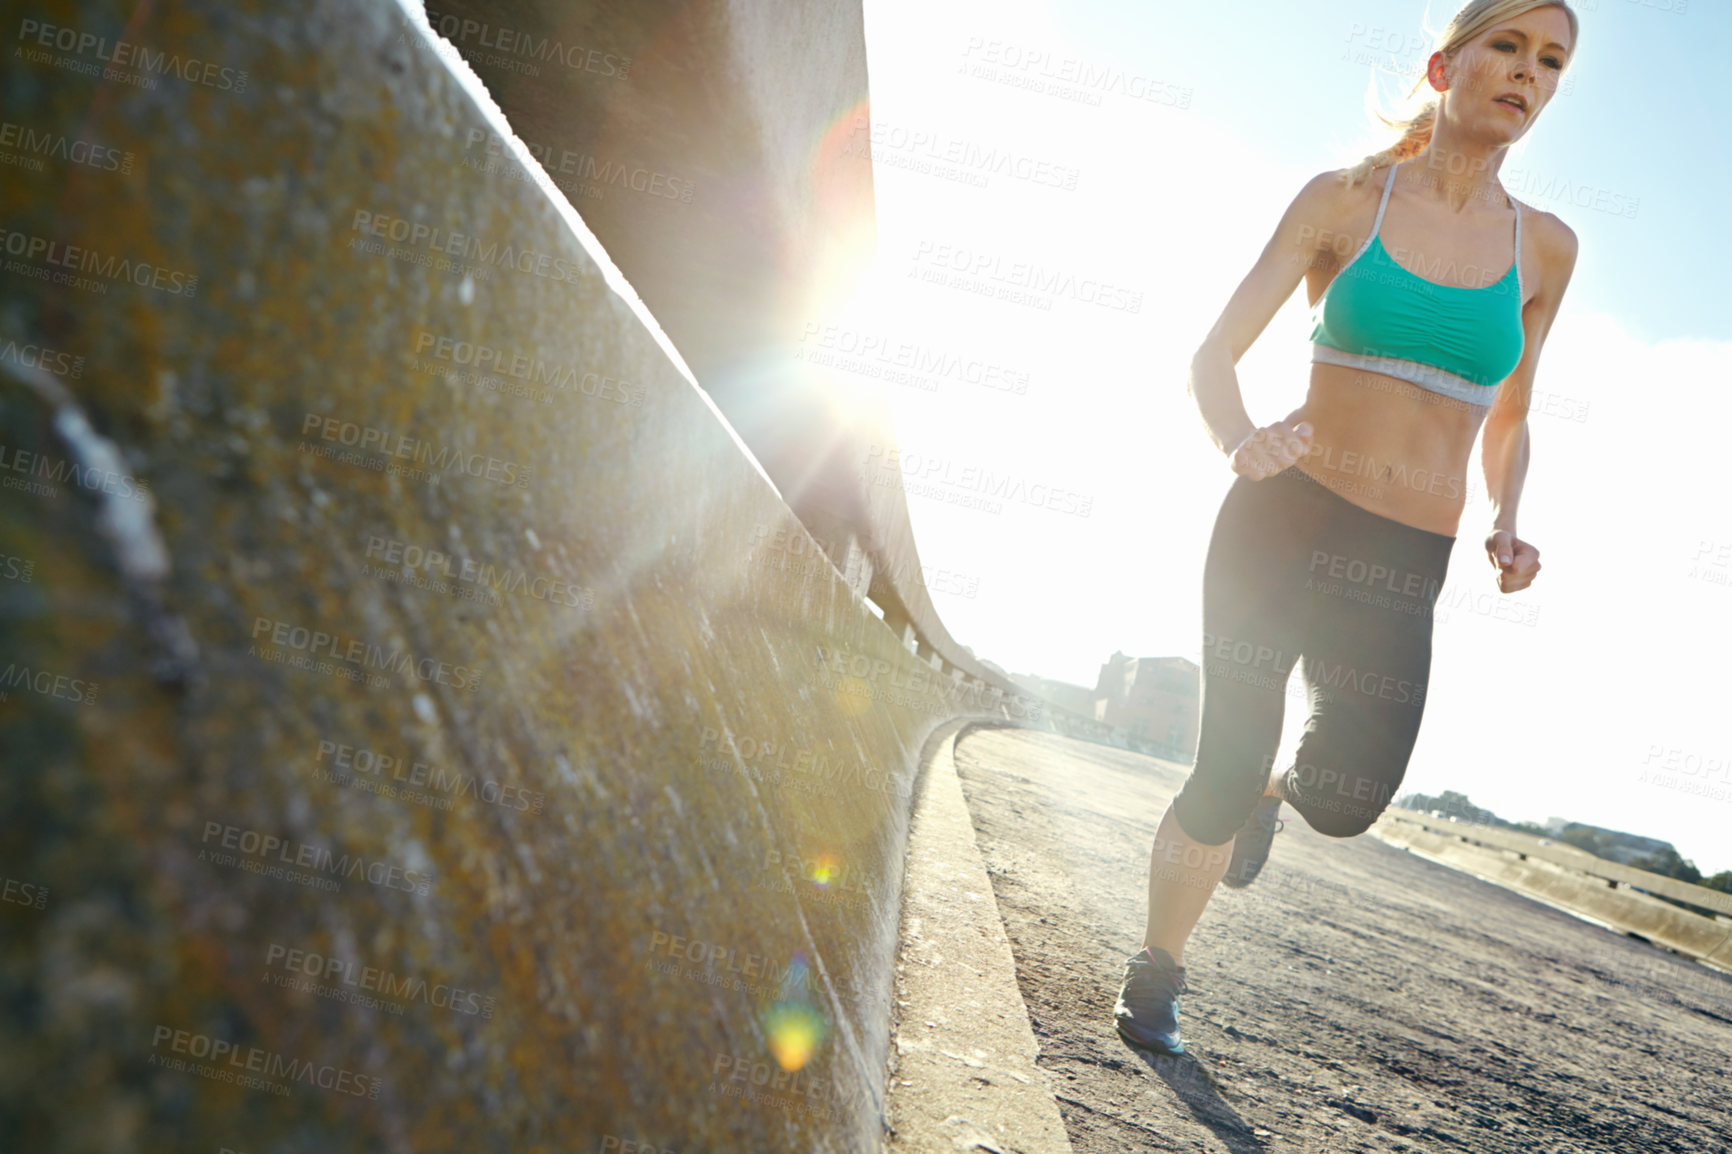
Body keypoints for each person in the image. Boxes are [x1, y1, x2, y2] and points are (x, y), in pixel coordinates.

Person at [1115, 0, 1580, 1056]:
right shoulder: (1344, 202)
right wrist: (1240, 441)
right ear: (1443, 63)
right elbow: (1210, 359)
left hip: (1403, 553)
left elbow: (1510, 414)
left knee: (1348, 796)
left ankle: (1276, 795)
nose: (1526, 73)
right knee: (1224, 758)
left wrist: (1506, 520)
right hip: (1280, 513)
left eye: (1549, 61)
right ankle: (1158, 969)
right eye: (1506, 46)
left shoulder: (1545, 247)